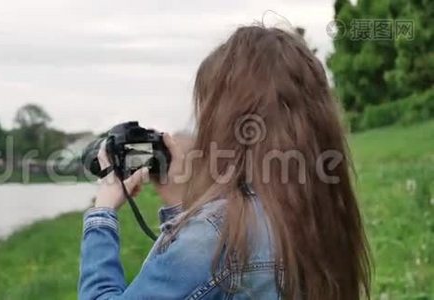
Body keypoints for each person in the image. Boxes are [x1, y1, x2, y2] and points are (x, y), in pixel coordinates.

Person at [79, 25, 371, 300]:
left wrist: (102, 212)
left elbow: (211, 259)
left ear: (227, 121)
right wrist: (181, 206)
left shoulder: (219, 233)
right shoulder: (319, 209)